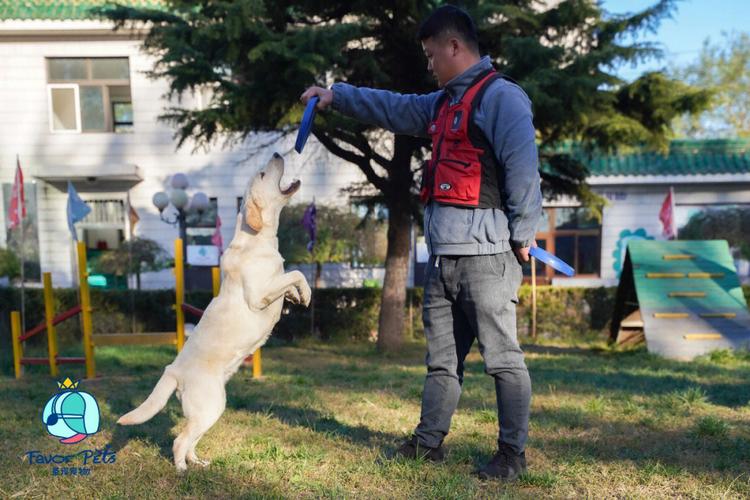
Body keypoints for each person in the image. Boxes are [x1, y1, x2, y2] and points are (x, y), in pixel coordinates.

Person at [301, 5, 542, 481]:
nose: (429, 65)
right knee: (441, 363)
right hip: (444, 261)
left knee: (503, 361)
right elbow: (393, 107)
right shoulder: (442, 104)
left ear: (455, 46)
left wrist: (522, 238)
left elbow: (524, 176)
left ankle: (512, 455)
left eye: (433, 55)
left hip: (489, 260)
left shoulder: (503, 98)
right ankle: (428, 444)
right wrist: (337, 97)